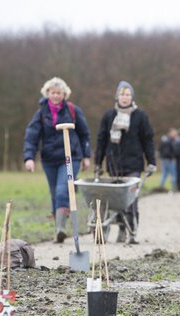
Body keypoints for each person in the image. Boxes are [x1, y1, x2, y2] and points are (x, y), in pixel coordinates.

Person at [23, 77, 91, 243]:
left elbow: (84, 134)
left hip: (71, 157)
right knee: (55, 193)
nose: (55, 95)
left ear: (64, 94)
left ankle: (61, 228)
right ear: (47, 93)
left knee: (63, 190)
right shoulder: (41, 113)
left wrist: (86, 155)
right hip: (49, 159)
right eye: (52, 92)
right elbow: (31, 137)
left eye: (59, 93)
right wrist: (29, 157)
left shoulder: (73, 110)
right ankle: (57, 230)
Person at [94, 81, 157, 244]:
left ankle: (132, 231)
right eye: (122, 94)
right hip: (113, 163)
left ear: (132, 97)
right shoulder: (109, 116)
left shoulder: (140, 116)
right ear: (117, 96)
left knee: (130, 199)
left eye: (128, 94)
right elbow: (101, 140)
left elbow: (148, 140)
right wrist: (97, 163)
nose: (124, 97)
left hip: (133, 164)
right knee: (114, 199)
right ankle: (121, 227)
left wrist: (151, 162)